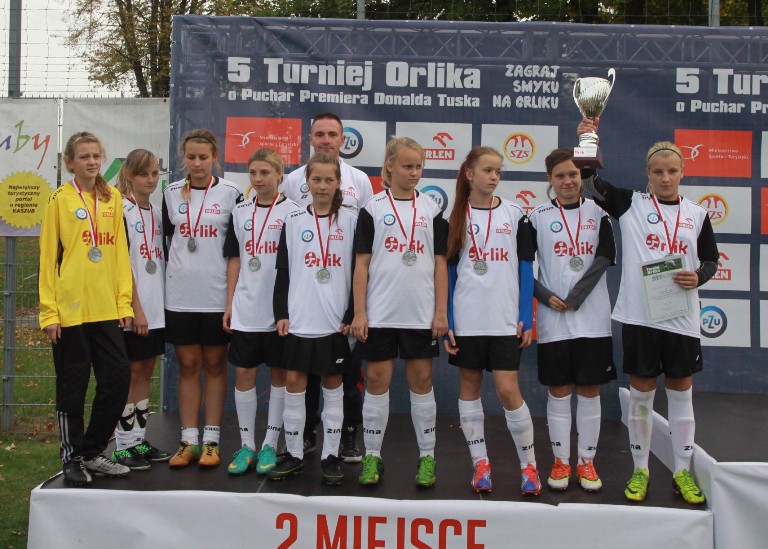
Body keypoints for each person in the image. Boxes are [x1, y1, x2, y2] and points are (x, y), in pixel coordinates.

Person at [579, 117, 718, 505]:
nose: (665, 178)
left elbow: (710, 259)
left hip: (681, 318)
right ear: (648, 174)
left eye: (672, 171)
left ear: (682, 172)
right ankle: (640, 470)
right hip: (641, 317)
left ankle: (682, 472)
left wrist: (699, 276)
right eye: (658, 171)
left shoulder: (697, 214)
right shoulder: (631, 204)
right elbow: (589, 184)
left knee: (681, 395)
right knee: (642, 396)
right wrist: (587, 139)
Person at [351, 136, 449, 488]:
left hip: (419, 314)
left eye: (419, 166)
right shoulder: (372, 208)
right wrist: (359, 313)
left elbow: (440, 264)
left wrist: (441, 312)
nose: (414, 172)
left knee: (421, 383)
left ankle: (427, 457)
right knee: (377, 382)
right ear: (390, 166)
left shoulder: (432, 209)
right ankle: (372, 456)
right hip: (379, 313)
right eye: (407, 166)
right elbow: (361, 265)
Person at [443, 146, 540, 495]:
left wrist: (525, 316)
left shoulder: (516, 215)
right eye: (487, 170)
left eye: (498, 171)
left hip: (503, 320)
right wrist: (449, 320)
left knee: (508, 390)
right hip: (467, 320)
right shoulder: (454, 217)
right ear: (469, 174)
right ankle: (480, 465)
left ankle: (529, 466)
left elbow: (526, 269)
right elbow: (449, 274)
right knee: (469, 389)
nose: (494, 177)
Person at [39, 131, 133, 485]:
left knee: (117, 378)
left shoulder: (113, 198)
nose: (92, 162)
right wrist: (50, 313)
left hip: (106, 308)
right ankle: (72, 457)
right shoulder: (60, 200)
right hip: (70, 311)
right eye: (84, 157)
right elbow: (48, 260)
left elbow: (120, 254)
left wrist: (124, 302)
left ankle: (93, 451)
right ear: (70, 163)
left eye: (96, 156)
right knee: (73, 387)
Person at [282, 112, 373, 462]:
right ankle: (305, 436)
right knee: (304, 377)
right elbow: (294, 237)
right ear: (310, 138)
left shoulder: (359, 180)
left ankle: (347, 438)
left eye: (332, 134)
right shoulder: (292, 180)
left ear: (342, 139)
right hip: (307, 303)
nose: (325, 140)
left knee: (346, 378)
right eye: (319, 134)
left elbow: (363, 246)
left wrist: (355, 308)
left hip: (341, 301)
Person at [528, 148, 616, 492]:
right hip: (554, 320)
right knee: (560, 391)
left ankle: (587, 462)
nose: (567, 181)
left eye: (573, 174)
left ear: (582, 177)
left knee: (590, 390)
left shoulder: (599, 213)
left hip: (592, 318)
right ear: (549, 179)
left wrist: (576, 295)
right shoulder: (536, 217)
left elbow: (605, 256)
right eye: (560, 175)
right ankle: (561, 461)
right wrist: (542, 294)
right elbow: (522, 266)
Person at [267, 152, 357, 485]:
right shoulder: (292, 221)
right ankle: (293, 454)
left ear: (338, 183)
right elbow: (283, 272)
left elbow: (359, 271)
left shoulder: (351, 220)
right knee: (294, 383)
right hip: (300, 318)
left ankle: (330, 456)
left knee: (333, 384)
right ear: (307, 182)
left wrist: (351, 313)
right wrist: (281, 313)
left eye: (329, 180)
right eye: (316, 179)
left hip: (334, 321)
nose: (322, 186)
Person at [163, 129, 242, 467]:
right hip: (180, 296)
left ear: (215, 157)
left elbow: (236, 249)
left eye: (203, 157)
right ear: (184, 158)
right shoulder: (170, 193)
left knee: (214, 365)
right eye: (191, 157)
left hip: (216, 295)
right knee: (188, 365)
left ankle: (212, 441)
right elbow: (164, 243)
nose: (197, 163)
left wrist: (232, 300)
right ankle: (188, 441)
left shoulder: (231, 193)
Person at [222, 149, 300, 475]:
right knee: (244, 375)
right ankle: (247, 446)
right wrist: (229, 303)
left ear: (280, 174)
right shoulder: (239, 211)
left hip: (280, 311)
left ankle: (270, 442)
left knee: (280, 376)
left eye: (265, 172)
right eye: (253, 172)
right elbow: (235, 259)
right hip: (246, 308)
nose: (258, 179)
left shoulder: (295, 212)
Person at [112, 149, 171, 470]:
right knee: (131, 374)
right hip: (134, 311)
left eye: (154, 174)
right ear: (128, 176)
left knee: (147, 372)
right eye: (143, 174)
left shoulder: (157, 213)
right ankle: (122, 445)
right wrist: (136, 308)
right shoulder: (121, 210)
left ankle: (139, 439)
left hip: (155, 307)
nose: (150, 180)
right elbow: (122, 266)